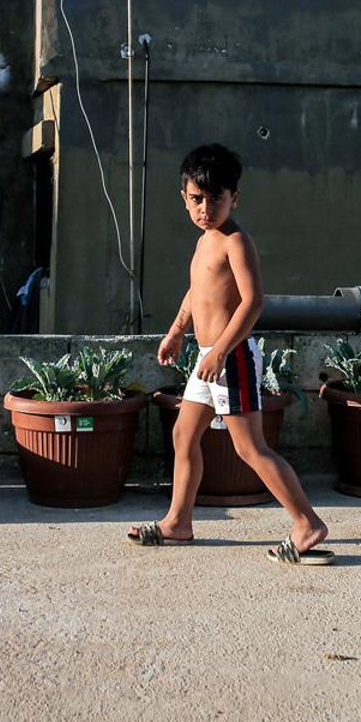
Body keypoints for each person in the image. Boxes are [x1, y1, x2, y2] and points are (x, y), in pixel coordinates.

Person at [126, 143, 331, 564]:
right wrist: (175, 332)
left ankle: (307, 523)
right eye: (197, 199)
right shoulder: (205, 242)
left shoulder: (236, 241)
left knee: (250, 448)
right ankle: (178, 523)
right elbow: (196, 292)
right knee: (184, 434)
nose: (206, 208)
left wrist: (221, 350)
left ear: (234, 198)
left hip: (230, 357)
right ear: (183, 197)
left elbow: (253, 302)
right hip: (207, 356)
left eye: (216, 198)